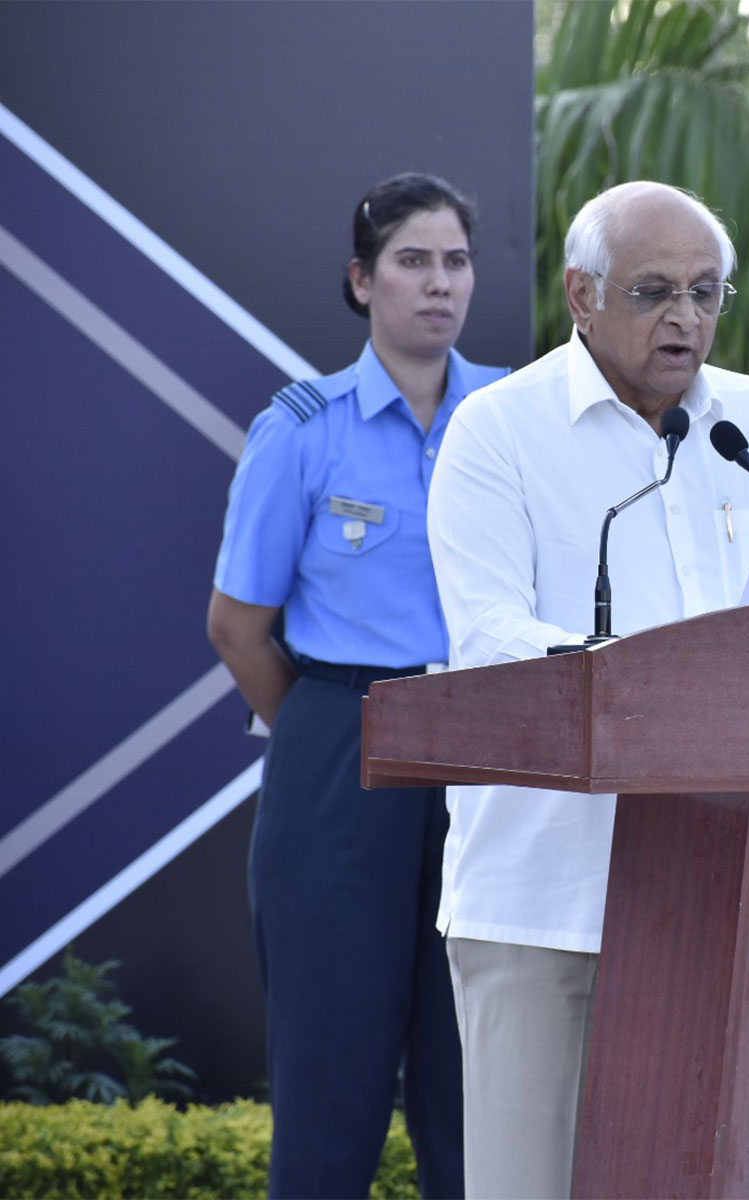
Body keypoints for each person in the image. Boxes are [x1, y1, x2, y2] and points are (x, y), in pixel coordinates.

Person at [426, 180, 749, 1198]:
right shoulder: (497, 432)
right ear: (581, 295)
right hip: (549, 899)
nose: (687, 318)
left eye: (708, 292)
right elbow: (489, 640)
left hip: (741, 893)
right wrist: (659, 684)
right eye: (656, 290)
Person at [207, 173, 509, 1198]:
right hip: (344, 750)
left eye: (456, 261)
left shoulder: (511, 422)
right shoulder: (302, 429)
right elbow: (237, 626)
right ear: (360, 281)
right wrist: (337, 733)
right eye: (412, 262)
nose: (439, 285)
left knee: (476, 1093)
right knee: (331, 1089)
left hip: (487, 757)